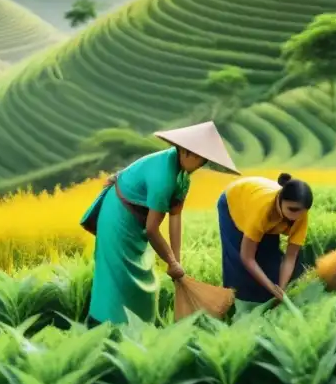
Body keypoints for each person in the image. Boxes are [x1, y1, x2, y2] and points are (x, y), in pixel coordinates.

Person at [80, 121, 239, 325]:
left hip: (137, 218)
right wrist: (170, 262)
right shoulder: (163, 178)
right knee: (117, 276)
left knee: (144, 281)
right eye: (199, 157)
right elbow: (152, 229)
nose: (200, 164)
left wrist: (176, 262)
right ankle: (101, 327)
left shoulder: (183, 178)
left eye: (204, 160)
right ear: (185, 152)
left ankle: (137, 330)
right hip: (117, 214)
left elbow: (175, 218)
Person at [218, 172, 314, 312]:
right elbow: (247, 257)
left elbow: (290, 257)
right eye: (292, 209)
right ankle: (234, 309)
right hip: (234, 203)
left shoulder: (299, 215)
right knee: (238, 265)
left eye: (301, 212)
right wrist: (271, 287)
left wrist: (280, 288)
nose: (296, 217)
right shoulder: (263, 210)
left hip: (265, 213)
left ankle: (266, 304)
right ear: (280, 200)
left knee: (270, 261)